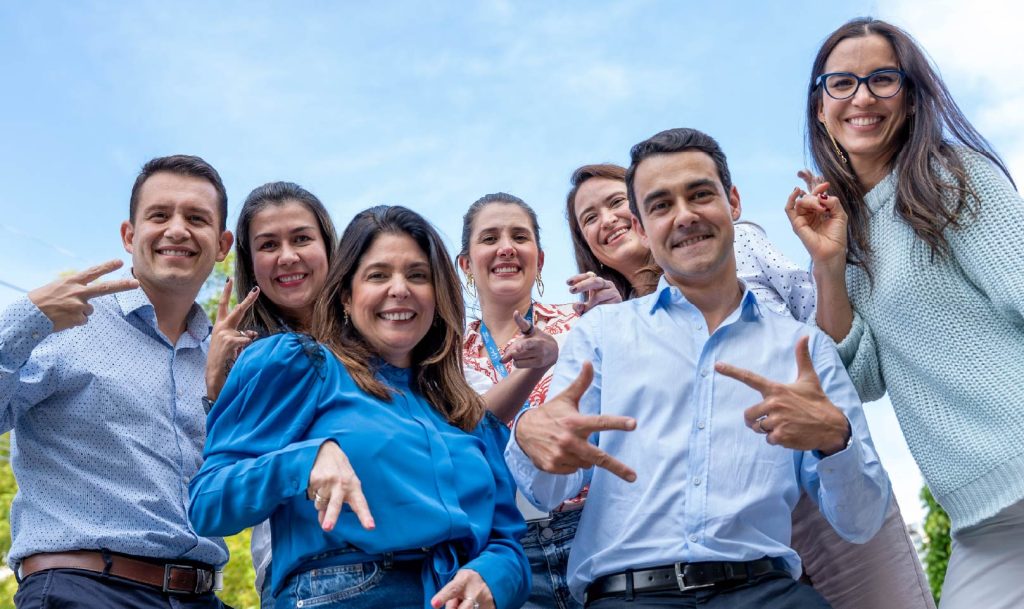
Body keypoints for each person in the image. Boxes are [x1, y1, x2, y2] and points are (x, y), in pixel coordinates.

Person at [508, 128, 892, 608]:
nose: (685, 216)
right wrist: (530, 438)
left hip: (767, 592)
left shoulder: (804, 346)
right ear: (643, 228)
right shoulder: (600, 333)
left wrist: (837, 440)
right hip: (627, 596)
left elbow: (861, 520)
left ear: (733, 202)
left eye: (700, 194)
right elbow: (547, 491)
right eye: (661, 205)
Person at [790, 17, 1024, 609]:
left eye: (882, 79)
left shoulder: (953, 178)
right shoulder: (850, 230)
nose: (862, 96)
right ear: (821, 107)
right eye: (840, 83)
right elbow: (863, 378)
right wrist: (828, 263)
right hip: (980, 513)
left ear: (913, 100)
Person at [189, 205, 530, 609]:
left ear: (438, 296)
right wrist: (305, 461)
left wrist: (490, 576)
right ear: (346, 298)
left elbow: (509, 543)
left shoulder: (469, 414)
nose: (399, 289)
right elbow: (208, 504)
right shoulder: (299, 364)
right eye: (378, 275)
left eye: (417, 275)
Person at [1, 155, 234, 608]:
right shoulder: (64, 323)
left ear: (222, 244)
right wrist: (28, 317)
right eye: (160, 215)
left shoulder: (221, 359)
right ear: (129, 235)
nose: (177, 229)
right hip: (82, 589)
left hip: (202, 594)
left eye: (197, 218)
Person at [459, 193, 616, 609]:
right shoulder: (445, 356)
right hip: (509, 548)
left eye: (519, 237)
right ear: (465, 264)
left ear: (540, 260)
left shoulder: (586, 321)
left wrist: (622, 320)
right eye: (489, 238)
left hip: (598, 532)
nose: (506, 247)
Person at [202, 181, 338, 607]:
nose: (287, 257)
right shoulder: (256, 360)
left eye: (301, 239)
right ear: (250, 262)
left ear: (330, 247)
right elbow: (214, 496)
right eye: (268, 244)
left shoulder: (384, 336)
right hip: (302, 578)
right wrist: (217, 392)